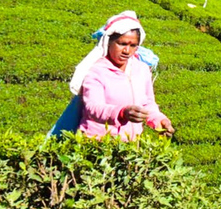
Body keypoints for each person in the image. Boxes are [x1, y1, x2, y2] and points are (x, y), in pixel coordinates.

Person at [70, 11, 174, 141]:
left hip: (130, 145)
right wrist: (121, 113)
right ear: (109, 42)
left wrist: (159, 120)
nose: (127, 51)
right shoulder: (97, 71)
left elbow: (147, 103)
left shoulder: (141, 69)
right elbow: (93, 107)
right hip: (98, 143)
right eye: (122, 44)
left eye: (133, 45)